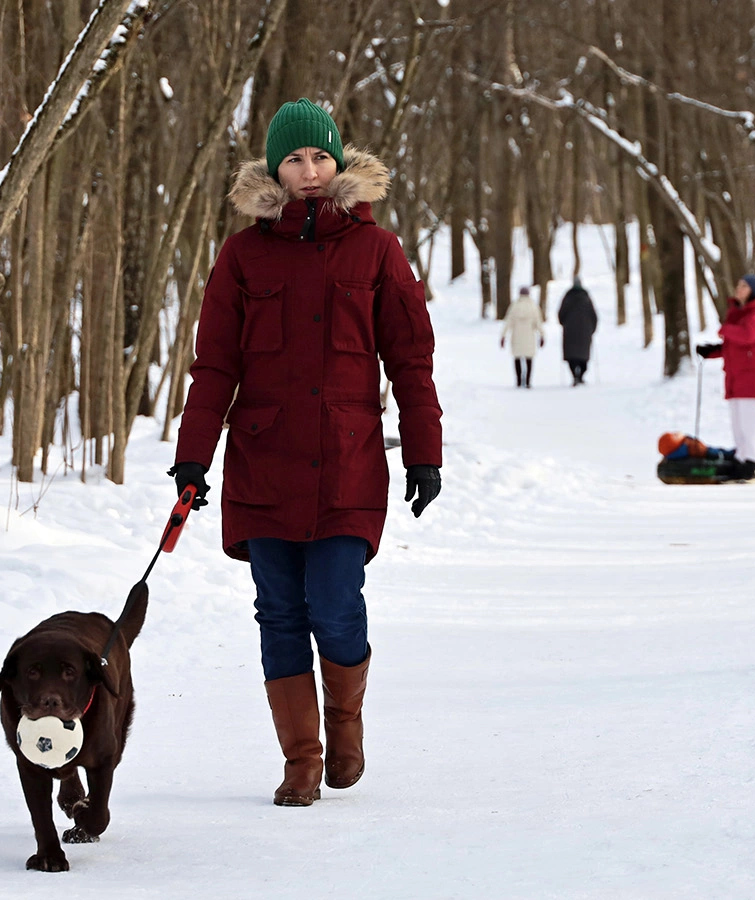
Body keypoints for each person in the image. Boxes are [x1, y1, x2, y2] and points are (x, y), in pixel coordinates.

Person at [167, 99, 443, 807]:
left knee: (335, 603)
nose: (309, 171)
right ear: (275, 169)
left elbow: (410, 360)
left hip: (348, 462)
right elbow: (215, 366)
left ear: (341, 161)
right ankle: (302, 759)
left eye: (320, 156)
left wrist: (423, 454)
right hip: (263, 464)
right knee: (279, 611)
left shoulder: (379, 252)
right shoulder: (242, 255)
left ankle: (344, 724)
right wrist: (193, 458)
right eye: (294, 159)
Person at [696, 274, 755, 474]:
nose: (739, 289)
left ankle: (752, 459)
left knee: (750, 421)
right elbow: (733, 346)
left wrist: (725, 329)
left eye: (744, 286)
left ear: (753, 291)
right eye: (738, 285)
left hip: (751, 376)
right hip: (736, 376)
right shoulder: (738, 315)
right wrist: (712, 351)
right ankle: (742, 457)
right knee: (738, 421)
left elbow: (748, 336)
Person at [556, 279, 598, 386]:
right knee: (584, 356)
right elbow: (594, 316)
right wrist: (592, 329)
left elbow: (561, 314)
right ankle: (581, 376)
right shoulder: (587, 298)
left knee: (571, 356)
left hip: (570, 332)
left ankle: (575, 375)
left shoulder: (567, 298)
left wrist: (564, 324)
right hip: (585, 332)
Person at [499, 286, 542, 388]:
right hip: (529, 337)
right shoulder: (533, 307)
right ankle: (527, 381)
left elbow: (508, 322)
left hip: (517, 336)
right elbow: (538, 323)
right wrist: (542, 335)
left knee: (517, 358)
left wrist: (503, 336)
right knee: (529, 358)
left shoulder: (514, 306)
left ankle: (518, 380)